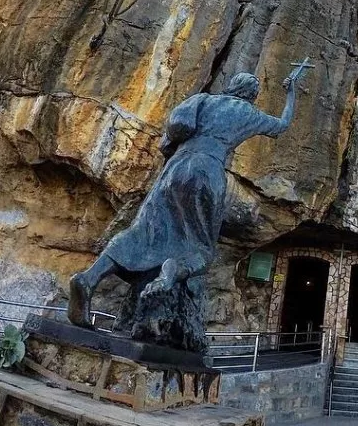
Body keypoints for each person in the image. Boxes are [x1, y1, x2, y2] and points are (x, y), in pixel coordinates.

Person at [67, 64, 309, 349]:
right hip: (209, 170)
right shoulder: (248, 113)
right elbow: (281, 125)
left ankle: (89, 277)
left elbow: (178, 125)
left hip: (178, 166)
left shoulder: (204, 100)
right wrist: (291, 92)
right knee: (202, 249)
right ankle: (172, 271)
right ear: (252, 95)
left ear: (232, 85)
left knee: (143, 230)